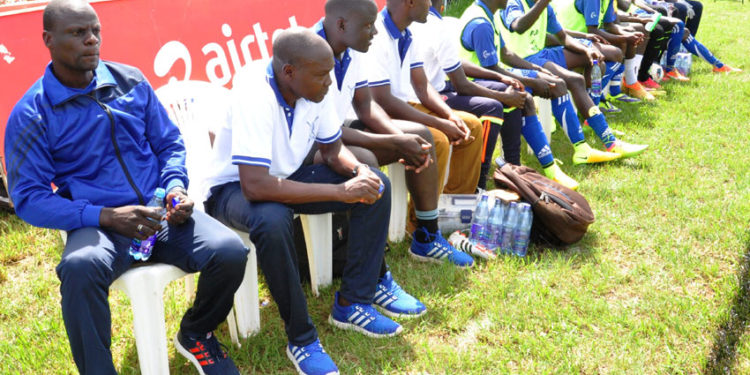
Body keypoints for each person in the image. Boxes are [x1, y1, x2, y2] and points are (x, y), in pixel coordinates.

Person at [3, 1, 248, 374]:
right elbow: (29, 198)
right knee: (80, 268)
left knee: (229, 251)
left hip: (159, 212)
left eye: (95, 30)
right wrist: (104, 216)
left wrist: (175, 189)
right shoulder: (31, 114)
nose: (91, 40)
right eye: (78, 33)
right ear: (48, 40)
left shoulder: (130, 81)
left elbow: (169, 144)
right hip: (98, 225)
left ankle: (196, 332)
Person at [204, 28, 402, 375]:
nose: (329, 82)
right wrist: (340, 192)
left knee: (376, 186)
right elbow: (254, 186)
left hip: (285, 177)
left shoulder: (314, 88)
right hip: (230, 190)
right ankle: (302, 338)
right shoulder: (255, 93)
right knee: (272, 218)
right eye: (322, 75)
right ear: (289, 73)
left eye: (330, 73)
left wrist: (357, 171)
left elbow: (331, 149)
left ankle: (353, 301)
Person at [314, 0, 431, 319]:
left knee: (419, 136)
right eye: (368, 25)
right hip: (306, 148)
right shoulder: (311, 55)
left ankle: (427, 234)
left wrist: (399, 138)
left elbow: (365, 107)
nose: (375, 30)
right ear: (341, 25)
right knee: (365, 162)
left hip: (333, 137)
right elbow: (327, 135)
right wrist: (393, 140)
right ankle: (375, 278)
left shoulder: (350, 50)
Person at [412, 0, 579, 190]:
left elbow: (492, 58)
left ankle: (515, 168)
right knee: (494, 106)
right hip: (443, 91)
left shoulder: (486, 16)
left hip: (451, 84)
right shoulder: (475, 23)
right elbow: (463, 82)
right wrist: (509, 90)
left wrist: (520, 74)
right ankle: (482, 181)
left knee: (516, 92)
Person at [366, 0, 482, 266]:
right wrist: (442, 125)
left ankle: (452, 219)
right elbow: (383, 101)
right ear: (410, 2)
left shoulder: (408, 31)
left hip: (403, 106)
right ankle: (419, 226)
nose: (433, 4)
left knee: (471, 126)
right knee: (437, 139)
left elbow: (421, 85)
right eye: (428, 0)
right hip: (380, 114)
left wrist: (449, 115)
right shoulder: (376, 34)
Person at [458, 0, 647, 165]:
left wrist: (585, 49)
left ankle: (595, 116)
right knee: (570, 80)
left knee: (598, 62)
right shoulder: (514, 4)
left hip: (541, 54)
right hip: (527, 58)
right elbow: (518, 26)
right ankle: (601, 141)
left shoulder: (504, 11)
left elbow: (562, 37)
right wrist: (542, 3)